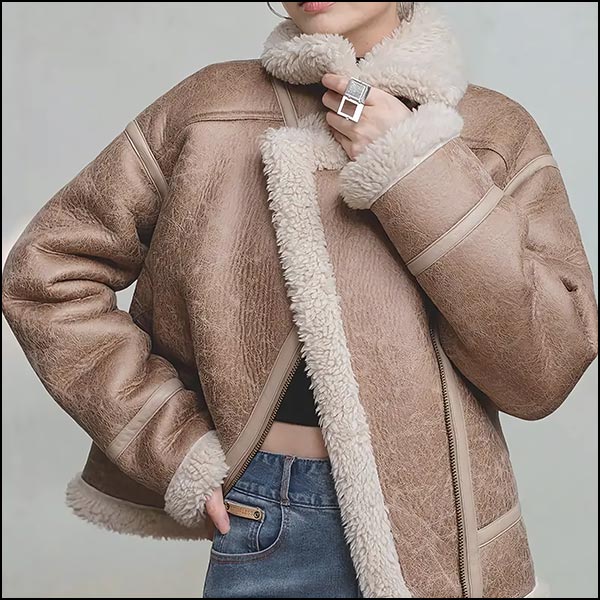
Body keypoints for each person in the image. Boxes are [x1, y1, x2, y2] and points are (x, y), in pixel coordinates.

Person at [2, 2, 597, 598]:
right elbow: (46, 271)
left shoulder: (493, 132)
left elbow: (542, 371)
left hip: (446, 539)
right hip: (267, 515)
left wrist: (414, 162)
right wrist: (175, 448)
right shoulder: (209, 110)